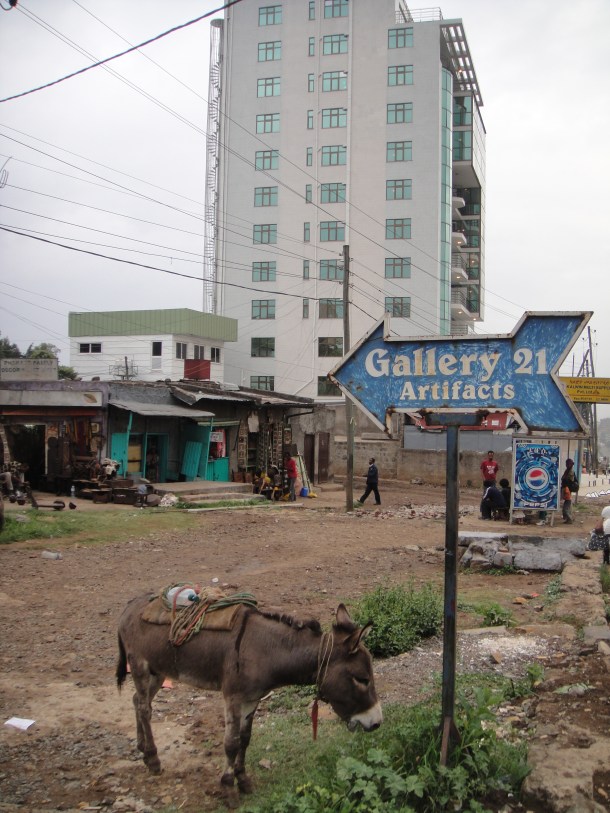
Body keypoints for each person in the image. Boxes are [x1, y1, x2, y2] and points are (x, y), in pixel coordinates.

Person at [560, 458, 578, 524]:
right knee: (567, 505)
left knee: (566, 506)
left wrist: (566, 487)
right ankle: (568, 518)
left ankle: (569, 519)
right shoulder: (567, 470)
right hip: (566, 489)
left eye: (568, 464)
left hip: (568, 489)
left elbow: (569, 481)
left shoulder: (570, 471)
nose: (567, 465)